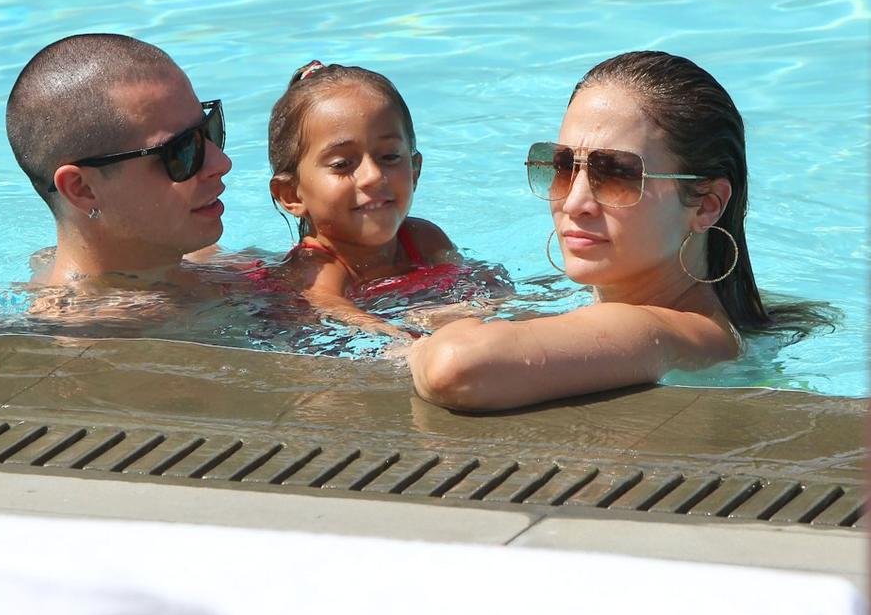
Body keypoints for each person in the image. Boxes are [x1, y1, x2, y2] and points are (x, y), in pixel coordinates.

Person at [408, 51, 834, 411]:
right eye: (562, 166)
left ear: (706, 204)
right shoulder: (674, 317)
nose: (574, 202)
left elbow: (455, 366)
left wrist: (418, 346)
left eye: (616, 174)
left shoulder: (669, 330)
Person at [5, 33, 233, 321]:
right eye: (182, 151)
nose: (221, 163)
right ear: (82, 189)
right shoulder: (84, 337)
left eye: (209, 130)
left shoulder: (190, 259)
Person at [267, 61, 467, 337]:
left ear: (415, 170)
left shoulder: (425, 239)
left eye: (390, 157)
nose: (373, 176)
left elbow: (479, 286)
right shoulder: (315, 268)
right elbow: (334, 309)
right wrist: (407, 335)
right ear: (291, 195)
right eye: (342, 164)